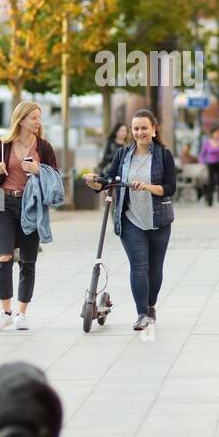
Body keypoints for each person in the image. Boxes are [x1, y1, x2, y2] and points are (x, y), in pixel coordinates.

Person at [83, 109, 175, 331]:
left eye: (144, 128)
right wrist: (94, 182)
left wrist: (147, 187)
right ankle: (142, 313)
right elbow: (109, 181)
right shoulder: (123, 155)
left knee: (155, 269)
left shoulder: (163, 155)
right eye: (136, 128)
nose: (139, 132)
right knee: (139, 265)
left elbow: (171, 188)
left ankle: (151, 306)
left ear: (154, 129)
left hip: (158, 220)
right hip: (130, 218)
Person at [0, 101, 59, 332]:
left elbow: (55, 175)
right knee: (3, 256)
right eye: (34, 117)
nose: (38, 122)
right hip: (4, 202)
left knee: (27, 260)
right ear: (21, 119)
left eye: (39, 117)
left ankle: (21, 314)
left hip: (31, 205)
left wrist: (38, 170)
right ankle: (5, 311)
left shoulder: (44, 147)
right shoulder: (3, 145)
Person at [199, 126, 219, 206]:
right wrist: (202, 164)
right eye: (217, 133)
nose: (218, 134)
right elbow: (202, 154)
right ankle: (209, 201)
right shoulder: (207, 143)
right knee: (211, 182)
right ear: (212, 134)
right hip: (210, 163)